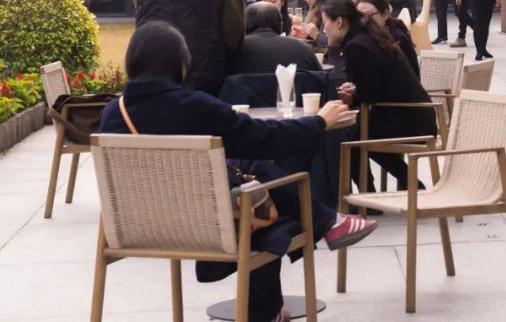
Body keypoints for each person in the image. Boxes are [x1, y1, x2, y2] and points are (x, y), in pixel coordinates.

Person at [100, 21, 376, 322]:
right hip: (204, 226)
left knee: (251, 175)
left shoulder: (114, 112)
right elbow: (266, 138)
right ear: (181, 64)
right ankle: (272, 300)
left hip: (138, 227)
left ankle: (323, 230)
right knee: (266, 217)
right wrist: (319, 122)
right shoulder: (196, 107)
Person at [321, 0, 437, 191]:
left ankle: (369, 195)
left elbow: (371, 96)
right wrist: (356, 89)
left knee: (349, 137)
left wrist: (353, 94)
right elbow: (378, 84)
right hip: (415, 115)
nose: (324, 29)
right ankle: (403, 183)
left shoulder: (356, 46)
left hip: (408, 120)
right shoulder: (367, 36)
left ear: (339, 22)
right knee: (355, 134)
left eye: (325, 23)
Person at [231, 2, 322, 75]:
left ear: (245, 24)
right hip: (294, 93)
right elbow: (321, 80)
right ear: (280, 25)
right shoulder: (303, 49)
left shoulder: (233, 50)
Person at [357, 0, 419, 75]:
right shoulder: (365, 35)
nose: (365, 20)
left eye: (369, 15)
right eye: (360, 16)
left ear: (385, 14)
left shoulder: (397, 39)